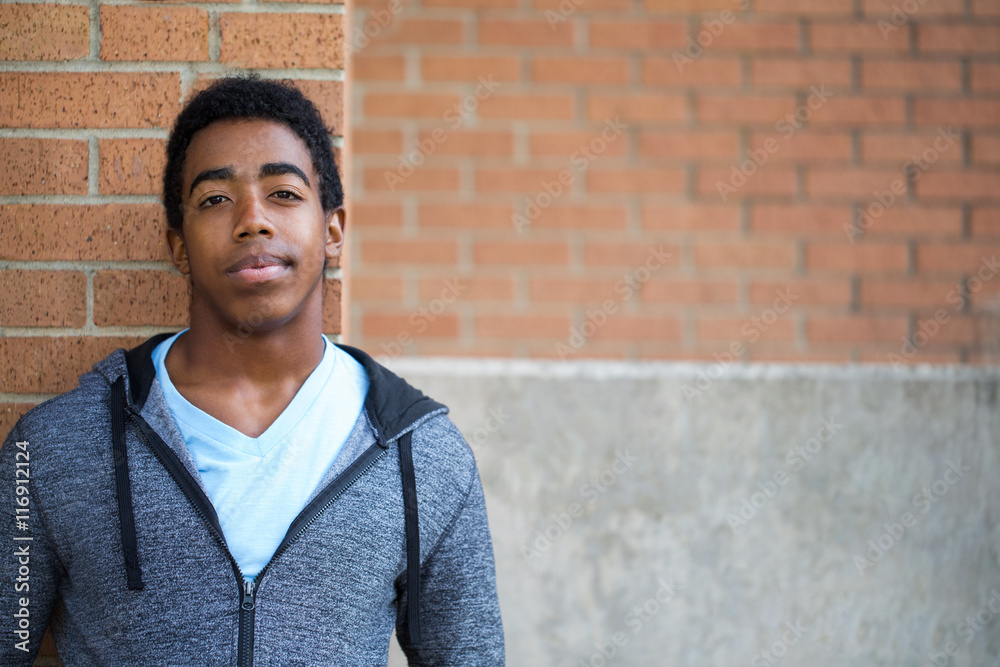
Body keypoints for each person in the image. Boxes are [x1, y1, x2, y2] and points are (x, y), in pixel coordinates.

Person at [1, 76, 504, 666]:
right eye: (216, 199)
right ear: (179, 246)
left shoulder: (421, 458)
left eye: (284, 193)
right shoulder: (53, 449)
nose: (253, 220)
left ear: (333, 230)